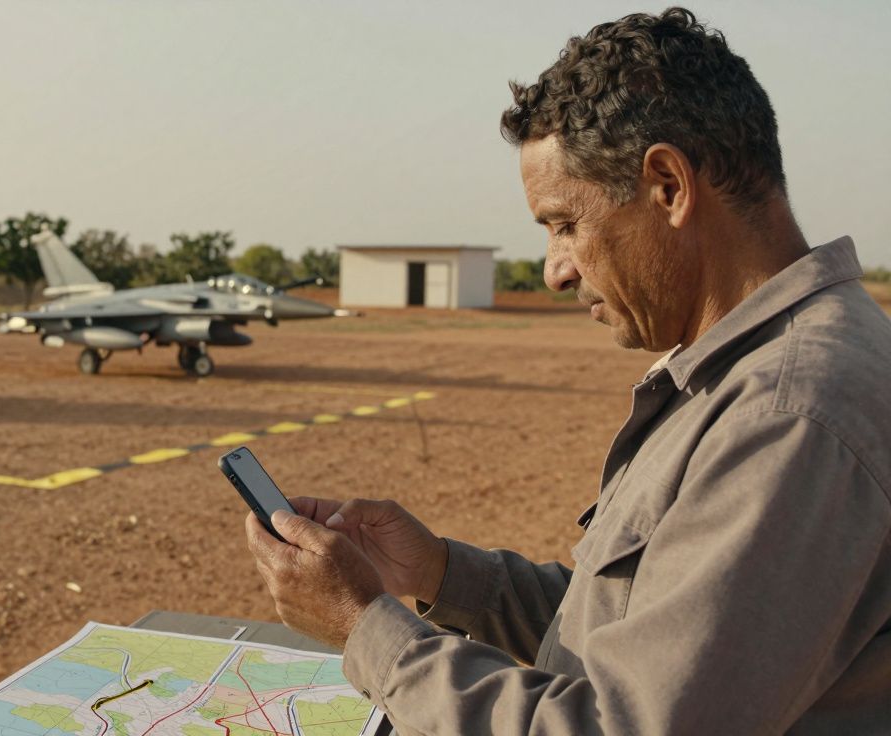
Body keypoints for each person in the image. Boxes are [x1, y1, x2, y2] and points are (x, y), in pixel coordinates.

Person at [245, 8, 891, 733]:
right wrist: (439, 574)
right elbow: (640, 628)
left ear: (668, 186)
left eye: (563, 224)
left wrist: (364, 629)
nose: (556, 270)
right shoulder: (748, 371)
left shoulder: (789, 414)